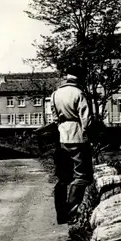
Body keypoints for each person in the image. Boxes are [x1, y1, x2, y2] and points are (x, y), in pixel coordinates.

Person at [51, 64, 93, 224]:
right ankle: (71, 212)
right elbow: (86, 120)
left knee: (63, 176)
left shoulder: (56, 94)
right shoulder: (79, 93)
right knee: (81, 175)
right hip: (78, 137)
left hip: (63, 136)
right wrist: (88, 134)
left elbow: (55, 119)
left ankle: (60, 213)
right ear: (80, 77)